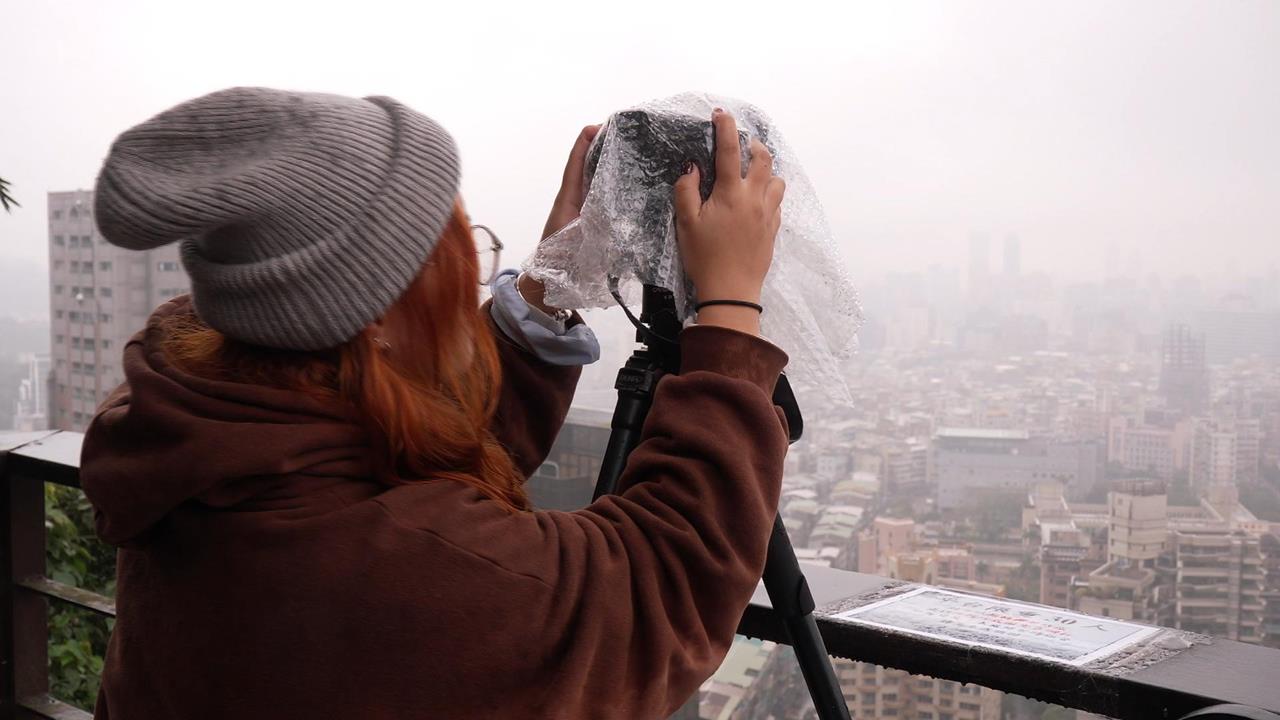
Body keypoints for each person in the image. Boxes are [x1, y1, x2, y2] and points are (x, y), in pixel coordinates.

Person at [80, 87, 788, 719]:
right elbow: (653, 591)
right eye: (453, 252)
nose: (468, 272)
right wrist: (727, 312)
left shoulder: (207, 436)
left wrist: (547, 284)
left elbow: (408, 448)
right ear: (378, 317)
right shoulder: (410, 565)